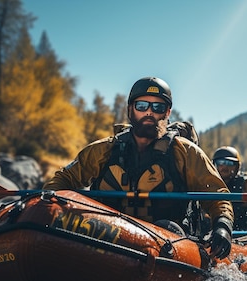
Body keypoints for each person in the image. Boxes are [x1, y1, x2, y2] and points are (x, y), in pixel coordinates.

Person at [42, 77, 234, 259]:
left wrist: (223, 226)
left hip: (165, 243)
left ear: (167, 113)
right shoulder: (104, 149)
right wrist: (49, 205)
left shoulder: (186, 153)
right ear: (130, 109)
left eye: (157, 107)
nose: (149, 112)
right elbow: (63, 179)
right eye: (142, 106)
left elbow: (218, 196)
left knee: (167, 228)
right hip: (104, 235)